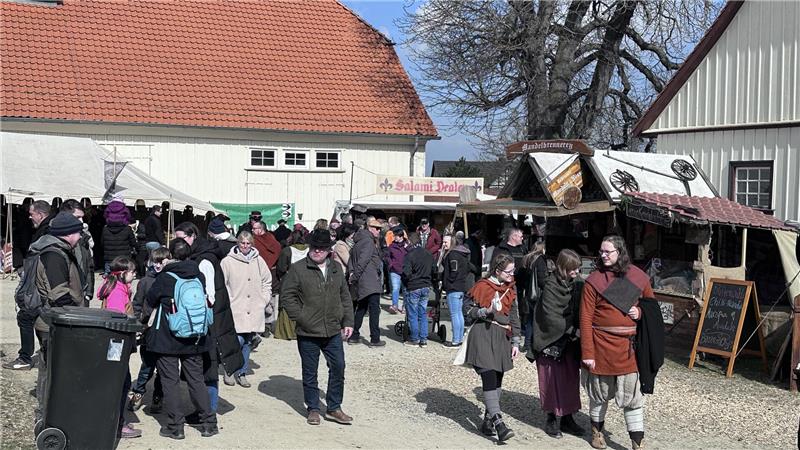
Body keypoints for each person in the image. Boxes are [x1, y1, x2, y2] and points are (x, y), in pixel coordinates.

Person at [581, 235, 654, 450]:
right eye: (601, 251)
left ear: (620, 253)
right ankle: (597, 434)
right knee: (599, 393)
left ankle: (637, 443)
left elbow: (652, 309)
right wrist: (588, 353)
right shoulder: (594, 280)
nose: (603, 255)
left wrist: (640, 312)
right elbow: (585, 318)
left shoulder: (639, 278)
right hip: (601, 345)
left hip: (629, 348)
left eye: (608, 252)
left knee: (632, 397)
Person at [145, 238, 218, 440]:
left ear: (170, 256)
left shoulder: (166, 277)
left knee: (170, 381)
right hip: (194, 336)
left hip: (168, 336)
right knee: (196, 379)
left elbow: (151, 299)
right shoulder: (198, 274)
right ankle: (208, 423)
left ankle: (175, 426)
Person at [281, 229, 355, 426]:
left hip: (332, 329)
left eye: (321, 249)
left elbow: (345, 296)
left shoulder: (336, 269)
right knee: (310, 371)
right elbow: (287, 296)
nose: (317, 251)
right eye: (314, 247)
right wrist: (302, 317)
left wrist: (348, 321)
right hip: (308, 331)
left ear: (329, 251)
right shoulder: (298, 269)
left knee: (338, 366)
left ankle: (333, 407)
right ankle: (313, 408)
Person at [175, 222, 243, 418]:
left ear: (193, 236)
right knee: (200, 366)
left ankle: (207, 410)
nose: (180, 242)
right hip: (203, 319)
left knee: (208, 367)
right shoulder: (196, 257)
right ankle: (203, 408)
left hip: (208, 321)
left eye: (183, 238)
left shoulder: (204, 260)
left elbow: (209, 296)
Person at [30, 212, 86, 424]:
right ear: (67, 234)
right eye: (78, 232)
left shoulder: (58, 251)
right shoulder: (54, 255)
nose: (80, 236)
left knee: (53, 370)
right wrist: (78, 317)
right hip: (54, 323)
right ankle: (47, 417)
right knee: (53, 371)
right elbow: (59, 295)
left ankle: (52, 414)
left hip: (55, 320)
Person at [464, 253, 521, 442]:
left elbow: (515, 317)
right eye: (508, 271)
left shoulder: (511, 289)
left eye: (513, 271)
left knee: (497, 380)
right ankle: (499, 423)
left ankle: (487, 421)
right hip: (482, 334)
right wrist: (485, 311)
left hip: (501, 337)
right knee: (488, 375)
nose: (512, 275)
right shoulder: (482, 286)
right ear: (497, 270)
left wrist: (515, 342)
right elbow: (467, 311)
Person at [530, 249, 584, 439]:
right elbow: (551, 317)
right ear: (563, 268)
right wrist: (572, 329)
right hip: (550, 341)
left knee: (570, 380)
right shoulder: (551, 286)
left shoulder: (577, 284)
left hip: (570, 342)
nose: (575, 273)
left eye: (578, 269)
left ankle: (568, 418)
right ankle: (552, 418)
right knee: (551, 380)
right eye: (572, 270)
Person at [97, 255, 142, 439]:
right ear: (123, 274)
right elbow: (117, 322)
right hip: (117, 344)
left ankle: (117, 420)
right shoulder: (118, 292)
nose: (135, 274)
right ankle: (117, 423)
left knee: (121, 382)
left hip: (116, 344)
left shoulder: (120, 288)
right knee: (120, 384)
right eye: (132, 272)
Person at [220, 231, 272, 388]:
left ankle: (242, 372)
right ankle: (229, 370)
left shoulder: (258, 261)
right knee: (236, 340)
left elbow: (266, 281)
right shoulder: (228, 261)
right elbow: (222, 284)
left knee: (248, 342)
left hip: (254, 307)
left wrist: (264, 299)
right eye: (242, 243)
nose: (245, 246)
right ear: (238, 243)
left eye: (248, 243)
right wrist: (228, 300)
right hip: (236, 307)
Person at [129, 247, 169, 413]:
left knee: (163, 368)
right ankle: (138, 392)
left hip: (166, 331)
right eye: (155, 262)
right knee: (147, 365)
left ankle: (158, 397)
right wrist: (138, 323)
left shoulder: (171, 280)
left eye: (162, 262)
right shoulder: (145, 281)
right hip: (148, 330)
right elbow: (137, 303)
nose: (158, 265)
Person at [347, 218, 385, 347]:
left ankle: (354, 335)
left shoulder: (357, 242)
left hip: (362, 282)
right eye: (376, 228)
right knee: (374, 310)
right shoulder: (368, 242)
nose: (379, 231)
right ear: (369, 228)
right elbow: (362, 261)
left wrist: (352, 274)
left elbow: (351, 260)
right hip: (370, 280)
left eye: (379, 228)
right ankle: (375, 339)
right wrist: (355, 276)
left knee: (361, 309)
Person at [59, 199, 95, 307]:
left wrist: (89, 293)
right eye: (77, 217)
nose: (81, 221)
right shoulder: (56, 241)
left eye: (82, 217)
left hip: (82, 297)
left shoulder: (83, 238)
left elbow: (89, 267)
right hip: (65, 301)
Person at [402, 233, 433, 347]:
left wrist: (407, 282)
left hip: (414, 286)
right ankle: (423, 339)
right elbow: (433, 270)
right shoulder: (428, 254)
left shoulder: (410, 255)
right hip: (426, 286)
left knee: (413, 314)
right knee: (423, 313)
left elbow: (406, 272)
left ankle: (415, 339)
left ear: (410, 242)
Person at [442, 233, 473, 348]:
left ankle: (455, 340)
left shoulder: (453, 254)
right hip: (461, 286)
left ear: (452, 242)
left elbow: (453, 270)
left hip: (454, 287)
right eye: (443, 241)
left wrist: (448, 283)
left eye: (446, 242)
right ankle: (459, 339)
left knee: (455, 314)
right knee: (459, 314)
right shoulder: (462, 254)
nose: (443, 244)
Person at [252, 220, 281, 334]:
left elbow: (277, 250)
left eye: (254, 228)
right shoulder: (272, 240)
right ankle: (266, 323)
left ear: (260, 229)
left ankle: (268, 323)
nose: (252, 231)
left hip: (267, 273)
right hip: (266, 272)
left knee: (269, 299)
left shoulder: (268, 240)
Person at [519, 240, 548, 350]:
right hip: (537, 294)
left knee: (530, 319)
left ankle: (527, 344)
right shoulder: (540, 259)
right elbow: (541, 280)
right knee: (537, 320)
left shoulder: (527, 259)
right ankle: (535, 344)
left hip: (528, 293)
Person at [102, 205, 136, 275]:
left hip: (109, 259)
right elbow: (133, 243)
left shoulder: (105, 229)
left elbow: (102, 243)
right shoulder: (127, 229)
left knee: (109, 281)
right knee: (123, 281)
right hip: (124, 259)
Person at [385, 226, 409, 314]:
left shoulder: (408, 246)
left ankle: (405, 306)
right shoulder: (391, 246)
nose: (394, 237)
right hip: (394, 270)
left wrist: (407, 248)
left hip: (405, 270)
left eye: (396, 236)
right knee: (395, 288)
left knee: (405, 289)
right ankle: (394, 305)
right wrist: (391, 264)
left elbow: (412, 255)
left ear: (401, 237)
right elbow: (387, 256)